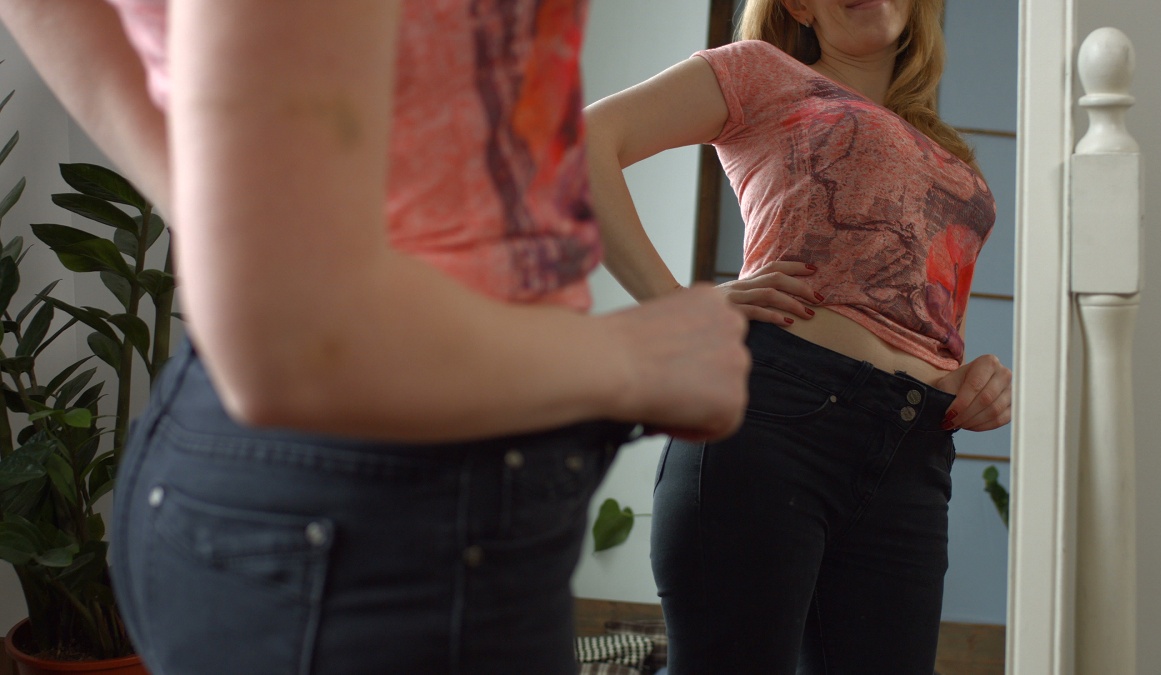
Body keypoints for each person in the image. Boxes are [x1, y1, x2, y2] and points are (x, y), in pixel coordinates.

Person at [0, 1, 752, 673]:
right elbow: (294, 343)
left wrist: (230, 229)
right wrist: (638, 359)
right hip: (383, 504)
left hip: (362, 494)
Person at [584, 0, 1013, 672]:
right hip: (776, 416)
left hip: (914, 450)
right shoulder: (761, 71)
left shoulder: (952, 154)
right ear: (798, 5)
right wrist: (677, 307)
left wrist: (972, 377)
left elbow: (929, 310)